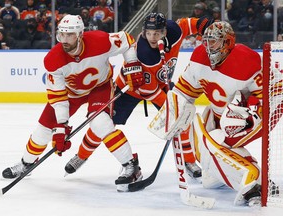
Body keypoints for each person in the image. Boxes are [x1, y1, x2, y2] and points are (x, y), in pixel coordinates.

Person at [2, 14, 145, 192]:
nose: (65, 40)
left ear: (80, 34)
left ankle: (131, 166)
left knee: (101, 124)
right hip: (71, 94)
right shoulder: (53, 59)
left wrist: (132, 63)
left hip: (99, 87)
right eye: (62, 34)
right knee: (42, 132)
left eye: (69, 35)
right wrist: (61, 127)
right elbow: (58, 96)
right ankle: (26, 163)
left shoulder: (99, 40)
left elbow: (126, 39)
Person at [64, 12, 214, 180]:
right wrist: (171, 109)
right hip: (129, 88)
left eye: (156, 33)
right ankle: (81, 156)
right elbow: (148, 90)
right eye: (148, 33)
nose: (151, 37)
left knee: (182, 123)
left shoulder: (174, 31)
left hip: (160, 85)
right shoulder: (144, 52)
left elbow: (187, 23)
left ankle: (189, 161)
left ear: (164, 31)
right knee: (104, 124)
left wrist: (203, 25)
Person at [148, 21, 263, 206]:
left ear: (228, 43)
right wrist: (172, 114)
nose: (208, 47)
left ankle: (254, 182)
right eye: (206, 41)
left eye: (214, 42)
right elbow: (182, 93)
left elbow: (270, 93)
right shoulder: (199, 57)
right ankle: (231, 171)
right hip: (222, 113)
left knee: (216, 139)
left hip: (255, 115)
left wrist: (252, 111)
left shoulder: (245, 59)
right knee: (209, 177)